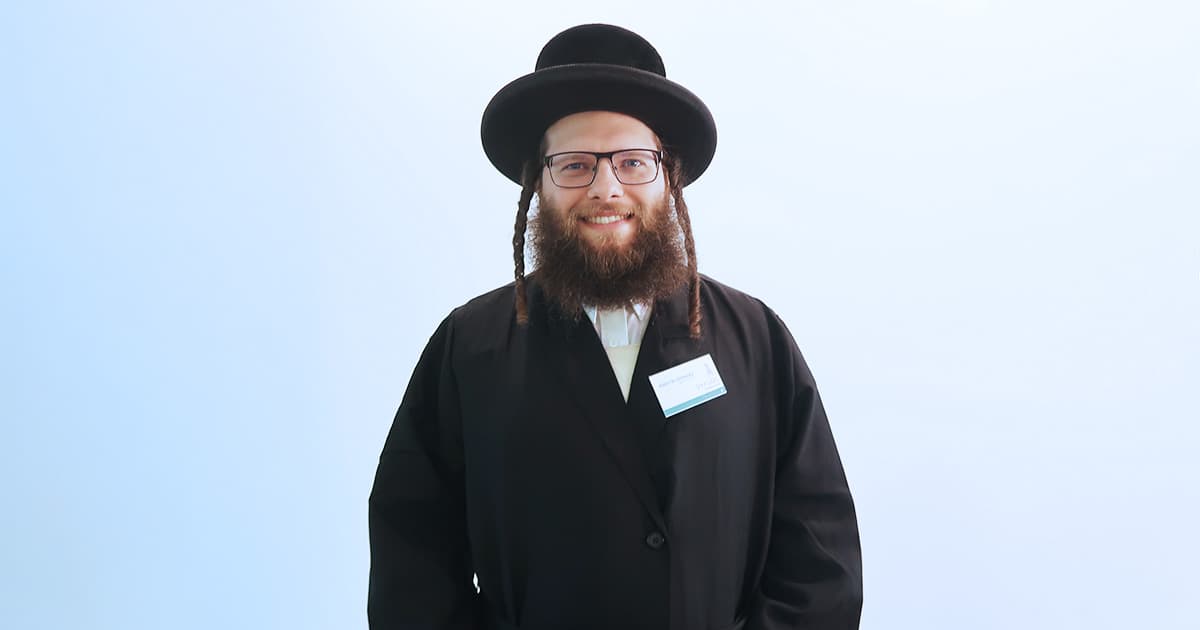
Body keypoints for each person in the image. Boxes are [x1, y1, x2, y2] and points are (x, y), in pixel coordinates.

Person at [368, 23, 862, 630]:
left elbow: (818, 556)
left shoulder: (756, 341)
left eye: (632, 162)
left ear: (668, 176)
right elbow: (411, 556)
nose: (606, 189)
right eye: (575, 164)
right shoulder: (469, 346)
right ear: (538, 184)